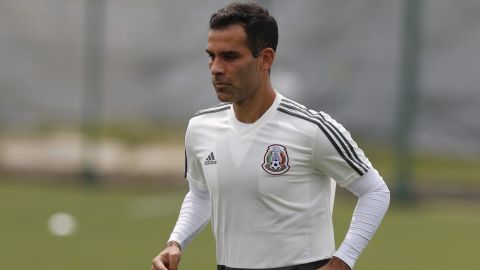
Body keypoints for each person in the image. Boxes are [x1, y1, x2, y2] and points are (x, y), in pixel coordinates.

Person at [151, 2, 390, 270]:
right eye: (211, 56)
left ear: (265, 59)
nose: (216, 68)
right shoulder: (200, 127)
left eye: (229, 57)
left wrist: (343, 260)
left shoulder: (311, 128)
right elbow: (201, 193)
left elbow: (375, 190)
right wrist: (176, 242)